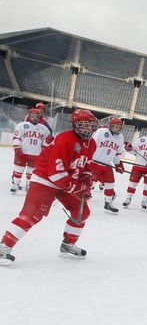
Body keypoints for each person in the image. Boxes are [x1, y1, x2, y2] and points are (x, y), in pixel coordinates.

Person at [0, 109, 98, 265]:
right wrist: (75, 186)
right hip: (45, 179)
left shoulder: (91, 143)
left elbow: (85, 165)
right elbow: (55, 172)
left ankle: (68, 244)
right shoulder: (65, 139)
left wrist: (86, 180)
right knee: (32, 214)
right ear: (74, 125)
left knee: (82, 211)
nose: (87, 129)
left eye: (90, 125)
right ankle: (4, 246)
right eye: (83, 125)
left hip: (65, 182)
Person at [89, 117, 126, 215]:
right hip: (94, 163)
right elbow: (91, 144)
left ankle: (108, 204)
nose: (116, 127)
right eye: (114, 125)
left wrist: (118, 164)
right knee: (90, 184)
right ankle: (80, 200)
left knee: (110, 184)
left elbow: (117, 152)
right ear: (110, 125)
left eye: (118, 126)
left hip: (107, 164)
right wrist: (87, 156)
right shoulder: (101, 132)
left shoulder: (120, 137)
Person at [11, 108, 51, 193]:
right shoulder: (21, 125)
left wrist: (44, 151)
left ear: (39, 117)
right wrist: (17, 148)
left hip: (36, 153)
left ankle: (28, 184)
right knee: (18, 169)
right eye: (32, 116)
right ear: (29, 116)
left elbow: (46, 141)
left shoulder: (44, 128)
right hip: (22, 152)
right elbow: (16, 137)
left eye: (36, 116)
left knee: (31, 171)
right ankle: (15, 184)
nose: (34, 118)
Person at [123, 124, 147, 209]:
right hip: (138, 165)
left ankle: (144, 201)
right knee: (132, 184)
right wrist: (129, 148)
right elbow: (134, 151)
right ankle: (128, 199)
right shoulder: (141, 139)